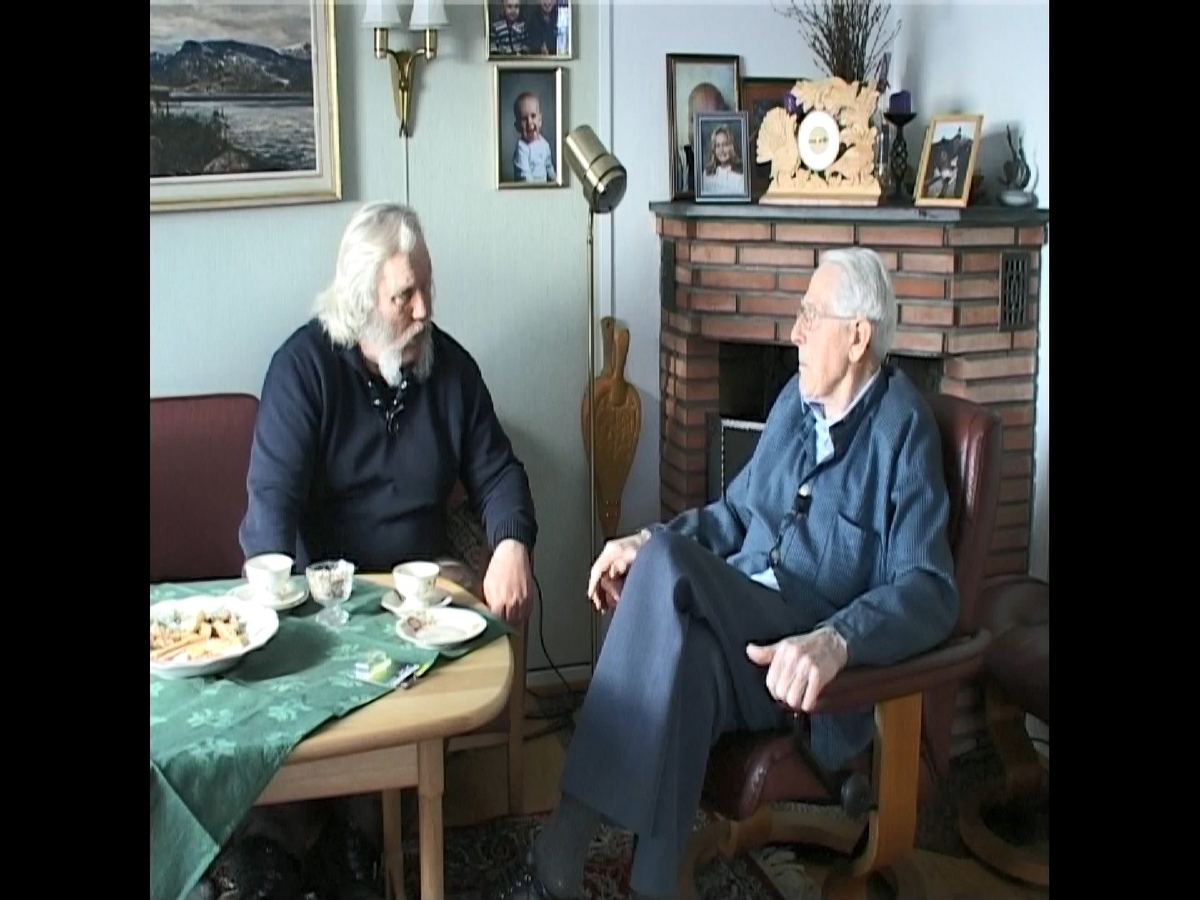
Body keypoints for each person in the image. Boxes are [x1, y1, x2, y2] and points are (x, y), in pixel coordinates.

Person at [489, 247, 959, 900]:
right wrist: (649, 542)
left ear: (857, 337)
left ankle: (569, 829)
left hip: (801, 653)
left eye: (810, 316)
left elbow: (930, 588)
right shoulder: (796, 403)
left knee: (669, 569)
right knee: (691, 656)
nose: (793, 331)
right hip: (738, 634)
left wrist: (837, 639)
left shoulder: (902, 432)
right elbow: (738, 514)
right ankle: (656, 877)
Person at [239, 201, 538, 625]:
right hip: (328, 602)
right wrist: (276, 607)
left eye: (427, 290)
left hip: (424, 597)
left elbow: (499, 474)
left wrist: (511, 544)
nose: (423, 311)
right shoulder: (302, 371)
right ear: (362, 301)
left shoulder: (453, 369)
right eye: (404, 296)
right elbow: (272, 503)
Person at [677, 81, 727, 194]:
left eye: (709, 121)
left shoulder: (731, 162)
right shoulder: (680, 161)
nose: (701, 129)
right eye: (694, 120)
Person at [512, 91, 557, 183]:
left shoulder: (544, 144)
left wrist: (555, 180)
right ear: (517, 126)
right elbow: (524, 175)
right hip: (527, 190)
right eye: (524, 118)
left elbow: (548, 166)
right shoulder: (522, 148)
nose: (529, 122)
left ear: (540, 120)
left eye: (533, 116)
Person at [699, 124, 745, 195]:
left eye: (725, 145)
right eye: (717, 146)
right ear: (714, 149)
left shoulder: (740, 177)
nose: (721, 150)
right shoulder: (706, 175)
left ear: (732, 147)